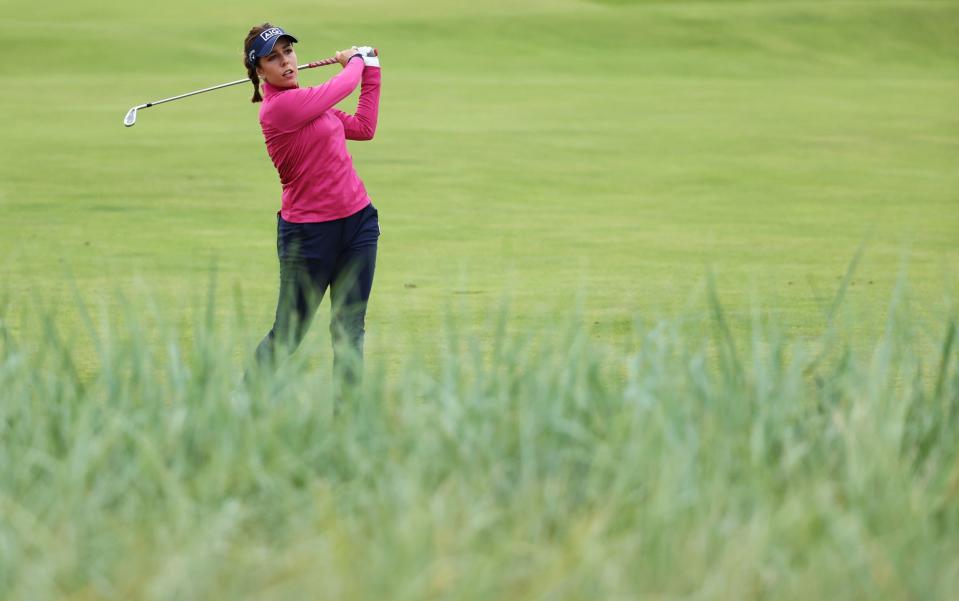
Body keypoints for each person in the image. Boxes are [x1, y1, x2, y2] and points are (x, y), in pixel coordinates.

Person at [242, 23, 382, 394]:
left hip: (357, 224)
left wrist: (372, 74)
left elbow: (365, 127)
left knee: (349, 330)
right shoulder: (278, 110)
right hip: (308, 236)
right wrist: (355, 61)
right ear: (260, 71)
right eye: (273, 58)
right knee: (288, 334)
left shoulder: (314, 107)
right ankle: (238, 404)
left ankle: (348, 428)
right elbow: (342, 86)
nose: (285, 62)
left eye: (288, 52)